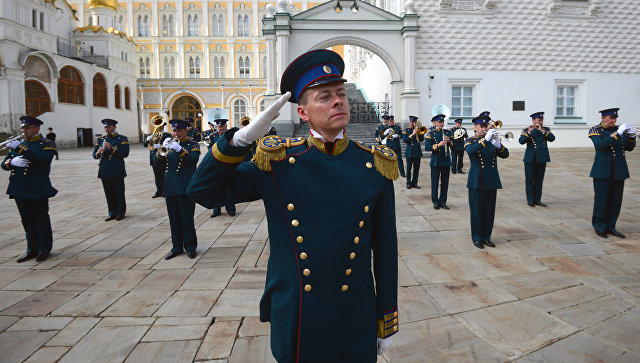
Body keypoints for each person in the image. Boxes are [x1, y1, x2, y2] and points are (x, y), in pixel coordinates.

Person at [187, 49, 398, 362]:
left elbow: (385, 251)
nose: (338, 101)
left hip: (354, 311)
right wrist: (239, 141)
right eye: (324, 97)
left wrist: (387, 319)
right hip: (299, 312)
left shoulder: (374, 165)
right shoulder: (278, 163)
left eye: (340, 94)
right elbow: (204, 192)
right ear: (303, 113)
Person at [1, 116, 57, 263]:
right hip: (19, 187)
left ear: (37, 128)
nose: (24, 131)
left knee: (40, 219)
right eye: (23, 128)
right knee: (27, 220)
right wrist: (12, 161)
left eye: (27, 128)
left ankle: (44, 248)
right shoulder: (19, 143)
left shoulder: (47, 143)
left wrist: (20, 149)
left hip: (36, 188)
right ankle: (31, 249)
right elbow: (4, 163)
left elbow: (42, 159)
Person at [588, 108, 636, 238]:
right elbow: (601, 146)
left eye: (615, 118)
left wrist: (631, 137)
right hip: (603, 171)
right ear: (603, 118)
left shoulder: (619, 129)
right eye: (611, 118)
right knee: (601, 200)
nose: (614, 121)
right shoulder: (595, 130)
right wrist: (618, 134)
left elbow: (629, 148)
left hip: (619, 171)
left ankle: (611, 226)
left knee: (615, 201)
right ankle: (599, 226)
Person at [465, 113, 509, 249]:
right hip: (477, 180)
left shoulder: (492, 140)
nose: (485, 128)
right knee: (477, 210)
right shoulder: (470, 140)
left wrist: (498, 145)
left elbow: (505, 154)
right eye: (482, 126)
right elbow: (471, 152)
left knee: (489, 211)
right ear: (475, 127)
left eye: (486, 126)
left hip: (491, 179)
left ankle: (486, 236)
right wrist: (485, 140)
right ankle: (477, 237)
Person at [159, 119, 201, 259]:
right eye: (174, 131)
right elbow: (156, 163)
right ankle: (176, 247)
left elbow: (192, 161)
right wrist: (161, 150)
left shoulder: (192, 145)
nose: (176, 133)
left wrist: (179, 149)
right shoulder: (169, 144)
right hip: (170, 187)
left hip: (184, 187)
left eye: (179, 131)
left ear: (185, 131)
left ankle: (190, 246)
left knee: (186, 219)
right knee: (174, 219)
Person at [93, 119, 129, 221]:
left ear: (114, 127)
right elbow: (94, 154)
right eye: (105, 127)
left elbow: (125, 153)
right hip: (104, 170)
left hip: (116, 170)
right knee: (108, 193)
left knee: (118, 192)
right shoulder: (101, 139)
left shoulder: (122, 139)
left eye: (108, 127)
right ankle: (111, 212)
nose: (106, 129)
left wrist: (111, 148)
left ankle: (120, 212)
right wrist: (98, 153)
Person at [519, 112, 555, 207]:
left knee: (539, 179)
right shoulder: (527, 129)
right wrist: (529, 132)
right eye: (538, 119)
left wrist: (542, 131)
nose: (540, 120)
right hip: (530, 158)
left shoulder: (545, 129)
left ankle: (537, 199)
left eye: (541, 119)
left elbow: (552, 138)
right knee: (530, 179)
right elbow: (521, 141)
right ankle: (530, 200)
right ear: (533, 120)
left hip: (542, 158)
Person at [208, 118, 236, 218]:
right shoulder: (213, 136)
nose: (221, 129)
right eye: (219, 127)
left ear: (226, 126)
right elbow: (209, 151)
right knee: (215, 188)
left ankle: (230, 209)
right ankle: (216, 209)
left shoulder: (230, 136)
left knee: (228, 187)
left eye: (223, 127)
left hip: (228, 164)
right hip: (216, 166)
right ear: (217, 127)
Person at [425, 114, 452, 210]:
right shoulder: (430, 133)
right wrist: (438, 145)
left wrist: (449, 141)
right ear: (434, 123)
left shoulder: (448, 132)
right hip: (436, 161)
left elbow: (454, 147)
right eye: (440, 122)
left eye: (442, 122)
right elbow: (427, 147)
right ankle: (435, 202)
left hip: (446, 160)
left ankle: (443, 201)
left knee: (445, 183)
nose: (441, 123)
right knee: (435, 183)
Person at [143, 124, 171, 198]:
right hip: (153, 157)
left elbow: (169, 144)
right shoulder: (152, 135)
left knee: (164, 175)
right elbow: (145, 145)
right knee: (157, 176)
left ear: (163, 126)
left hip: (162, 158)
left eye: (160, 125)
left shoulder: (167, 135)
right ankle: (159, 190)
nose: (158, 127)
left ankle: (165, 191)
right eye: (157, 125)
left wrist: (159, 146)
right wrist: (147, 140)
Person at [403, 115, 424, 189]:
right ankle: (408, 183)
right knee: (409, 168)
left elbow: (422, 139)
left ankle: (415, 182)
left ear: (415, 122)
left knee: (416, 169)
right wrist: (412, 134)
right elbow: (405, 140)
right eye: (411, 121)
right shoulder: (407, 130)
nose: (412, 123)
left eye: (413, 121)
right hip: (410, 152)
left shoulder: (418, 130)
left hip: (417, 151)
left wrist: (420, 132)